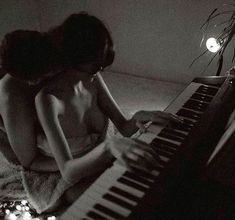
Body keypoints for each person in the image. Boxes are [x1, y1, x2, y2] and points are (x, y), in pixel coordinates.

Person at [0, 13, 183, 205]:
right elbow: (32, 162)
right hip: (53, 158)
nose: (98, 71)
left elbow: (123, 124)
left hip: (82, 146)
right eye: (94, 66)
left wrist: (139, 117)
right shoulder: (25, 95)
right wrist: (98, 158)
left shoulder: (86, 68)